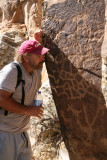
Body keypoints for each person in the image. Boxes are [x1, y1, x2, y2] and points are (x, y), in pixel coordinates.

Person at [0, 35, 49, 160]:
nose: (43, 58)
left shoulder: (34, 70)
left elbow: (34, 46)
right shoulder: (12, 71)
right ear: (26, 57)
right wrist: (29, 110)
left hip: (22, 133)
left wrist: (37, 38)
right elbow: (1, 98)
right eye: (39, 56)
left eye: (42, 54)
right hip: (5, 134)